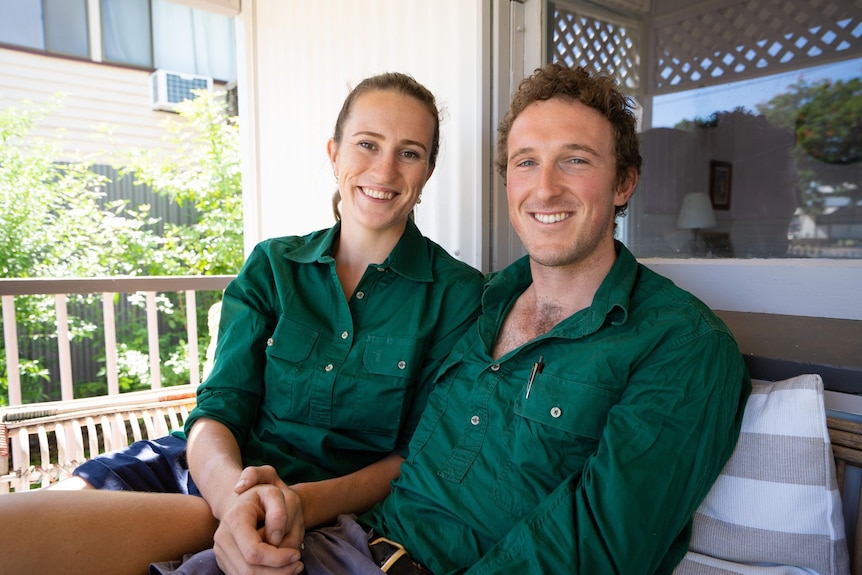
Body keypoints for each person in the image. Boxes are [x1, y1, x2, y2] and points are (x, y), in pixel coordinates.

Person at [211, 62, 751, 575]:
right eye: (526, 162)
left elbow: (603, 544)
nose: (545, 188)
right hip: (345, 544)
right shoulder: (482, 304)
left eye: (576, 160)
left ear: (624, 183)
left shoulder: (682, 344)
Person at [0, 71, 484, 575]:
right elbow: (219, 407)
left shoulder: (457, 295)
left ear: (427, 172)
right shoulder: (273, 266)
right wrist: (233, 502)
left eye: (409, 152)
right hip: (209, 474)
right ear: (334, 153)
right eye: (367, 144)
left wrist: (291, 503)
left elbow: (415, 455)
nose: (384, 169)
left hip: (316, 512)